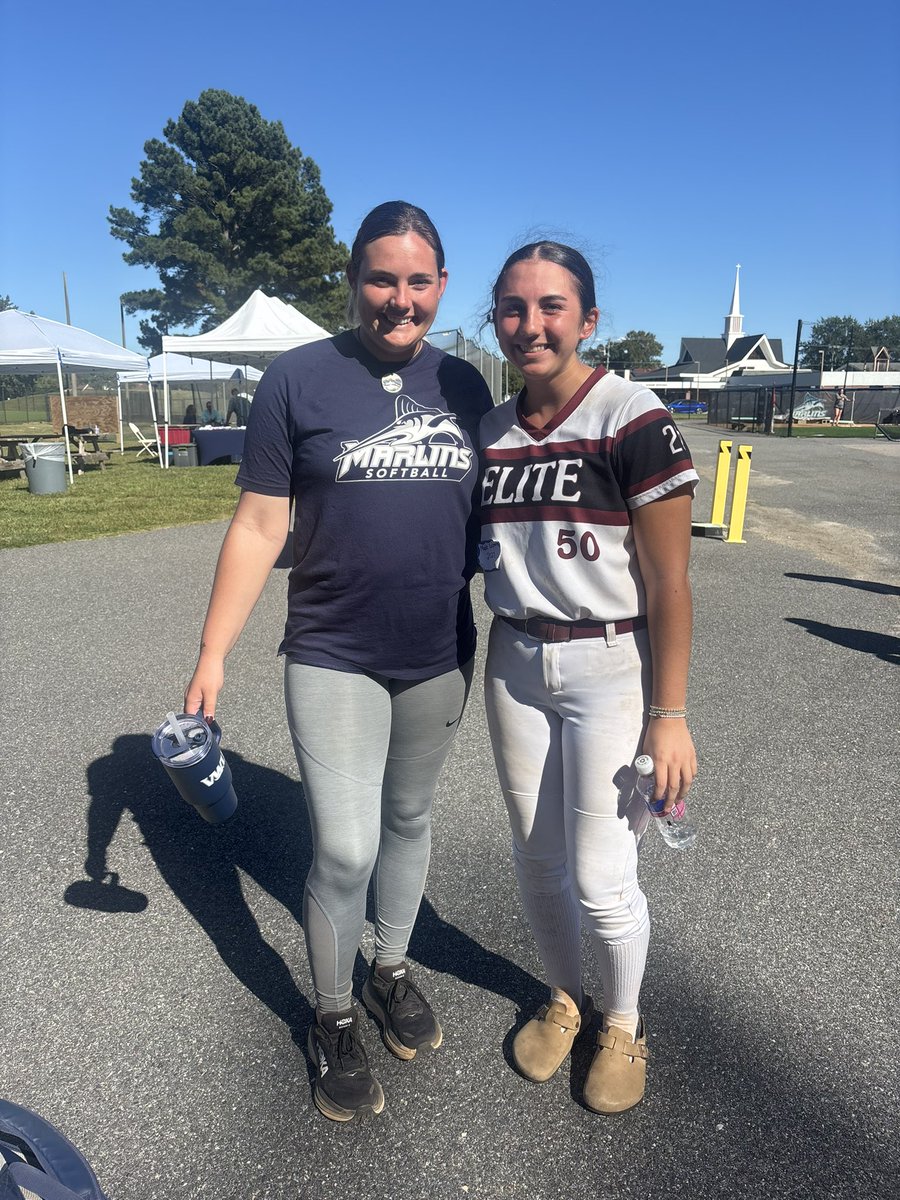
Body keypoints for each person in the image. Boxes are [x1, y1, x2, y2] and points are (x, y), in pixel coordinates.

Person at [184, 201, 493, 1123]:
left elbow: (499, 521)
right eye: (381, 279)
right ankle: (330, 1017)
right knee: (345, 843)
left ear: (441, 284)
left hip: (439, 650)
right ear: (352, 279)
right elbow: (259, 520)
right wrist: (211, 654)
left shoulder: (467, 386)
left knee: (407, 818)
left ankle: (389, 967)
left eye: (419, 282)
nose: (400, 300)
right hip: (332, 647)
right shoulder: (296, 380)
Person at [478, 242, 699, 1114]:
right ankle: (568, 996)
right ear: (494, 317)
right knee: (536, 862)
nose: (530, 325)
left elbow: (669, 581)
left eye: (551, 306)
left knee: (603, 877)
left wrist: (670, 712)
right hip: (515, 657)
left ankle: (624, 1020)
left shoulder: (632, 415)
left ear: (588, 319)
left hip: (612, 660)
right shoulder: (491, 429)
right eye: (512, 307)